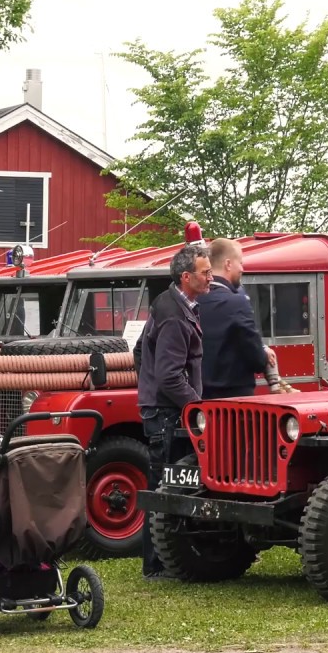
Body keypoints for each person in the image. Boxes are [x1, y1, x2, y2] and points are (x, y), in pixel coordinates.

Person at [136, 244, 212, 580]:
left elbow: (140, 351)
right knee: (165, 487)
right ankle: (156, 564)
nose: (210, 278)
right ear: (186, 277)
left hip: (161, 409)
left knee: (164, 484)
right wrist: (196, 407)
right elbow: (169, 376)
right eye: (205, 273)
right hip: (168, 414)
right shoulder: (175, 315)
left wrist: (148, 386)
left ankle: (160, 560)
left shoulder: (169, 303)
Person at [197, 239, 277, 400]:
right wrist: (264, 354)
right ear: (228, 264)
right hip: (234, 402)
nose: (242, 269)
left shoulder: (194, 300)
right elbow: (256, 359)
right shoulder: (237, 302)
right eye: (240, 263)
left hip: (197, 400)